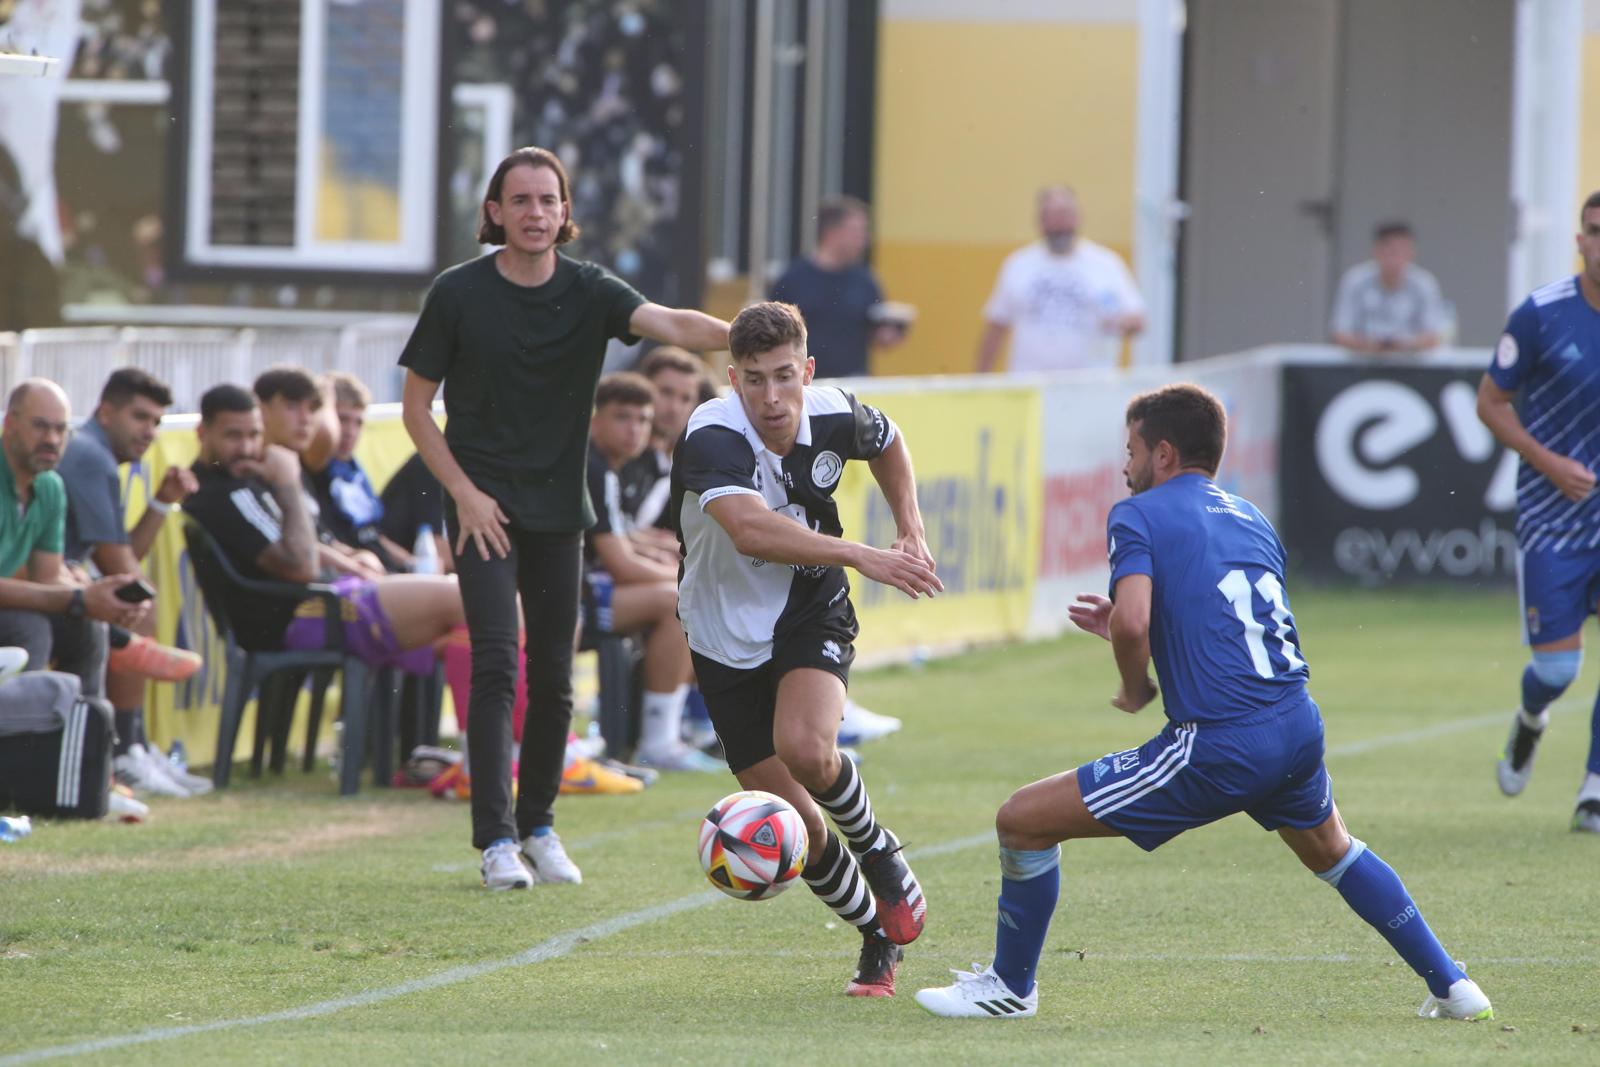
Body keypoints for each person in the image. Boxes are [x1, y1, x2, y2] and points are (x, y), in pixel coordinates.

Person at [916, 384, 1492, 1021]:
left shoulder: (1138, 514)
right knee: (1334, 849)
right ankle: (1454, 986)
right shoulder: (1251, 517)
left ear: (1163, 453)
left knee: (1021, 820)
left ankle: (1009, 988)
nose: (1123, 464)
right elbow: (1231, 623)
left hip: (1221, 741)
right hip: (1296, 722)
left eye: (1130, 449)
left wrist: (1135, 683)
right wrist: (1153, 624)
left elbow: (1134, 625)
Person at [399, 145, 731, 892]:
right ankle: (495, 842)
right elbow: (418, 409)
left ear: (565, 211)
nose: (535, 213)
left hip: (559, 512)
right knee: (496, 663)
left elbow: (670, 320)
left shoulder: (590, 290)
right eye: (520, 200)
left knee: (553, 677)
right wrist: (464, 493)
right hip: (484, 512)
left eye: (548, 200)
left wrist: (754, 334)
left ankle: (540, 826)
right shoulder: (457, 293)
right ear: (494, 211)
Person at [671, 301, 943, 997]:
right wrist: (863, 553)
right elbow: (750, 531)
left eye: (784, 377)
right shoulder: (712, 434)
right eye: (754, 380)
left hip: (808, 605)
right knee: (802, 827)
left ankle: (882, 855)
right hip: (721, 633)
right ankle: (876, 934)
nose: (771, 397)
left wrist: (908, 526)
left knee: (808, 747)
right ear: (732, 379)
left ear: (808, 370)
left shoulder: (833, 410)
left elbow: (888, 441)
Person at [184, 384, 470, 682]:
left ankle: (497, 727)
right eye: (233, 436)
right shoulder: (220, 493)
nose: (245, 447)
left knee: (476, 629)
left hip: (328, 602)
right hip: (304, 615)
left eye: (253, 435)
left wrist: (353, 561)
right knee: (473, 599)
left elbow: (305, 547)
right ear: (203, 433)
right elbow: (302, 565)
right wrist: (289, 483)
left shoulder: (243, 478)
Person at [1477, 191, 1600, 833]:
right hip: (1556, 518)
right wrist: (1547, 460)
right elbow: (1491, 402)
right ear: (1579, 239)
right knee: (1557, 669)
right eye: (1595, 232)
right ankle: (1530, 721)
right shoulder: (1542, 316)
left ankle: (1594, 789)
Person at [55, 367, 208, 798]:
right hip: (41, 591)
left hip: (60, 586)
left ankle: (133, 746)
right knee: (136, 600)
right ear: (105, 412)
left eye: (157, 422)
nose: (150, 431)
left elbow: (121, 556)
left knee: (135, 596)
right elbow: (122, 567)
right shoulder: (88, 454)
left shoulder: (96, 454)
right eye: (140, 417)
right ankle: (125, 751)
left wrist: (162, 500)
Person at [584, 371, 717, 772]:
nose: (635, 430)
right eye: (622, 418)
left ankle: (697, 723)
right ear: (595, 421)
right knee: (679, 601)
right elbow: (619, 563)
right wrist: (684, 577)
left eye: (642, 420)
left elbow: (627, 540)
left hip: (586, 590)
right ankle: (661, 740)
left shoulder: (605, 467)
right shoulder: (593, 467)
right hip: (568, 600)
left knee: (695, 592)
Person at [0, 380, 148, 701]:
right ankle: (22, 744)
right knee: (30, 627)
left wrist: (102, 600)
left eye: (61, 429)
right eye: (40, 427)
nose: (52, 440)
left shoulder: (51, 485)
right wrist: (79, 598)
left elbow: (48, 576)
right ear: (9, 423)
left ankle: (82, 744)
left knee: (87, 628)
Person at [976, 185, 1144, 374]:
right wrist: (980, 381)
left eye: (1064, 214)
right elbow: (996, 326)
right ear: (1040, 221)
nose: (1058, 223)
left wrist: (1120, 322)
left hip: (1090, 387)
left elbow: (1136, 319)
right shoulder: (1018, 264)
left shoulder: (1106, 264)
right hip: (1030, 385)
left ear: (1078, 217)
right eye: (1051, 216)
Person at [252, 367, 386, 581]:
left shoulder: (296, 466)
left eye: (314, 408)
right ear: (262, 411)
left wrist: (358, 556)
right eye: (293, 406)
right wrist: (355, 567)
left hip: (344, 580)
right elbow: (296, 549)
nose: (306, 419)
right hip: (318, 596)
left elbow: (325, 539)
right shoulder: (255, 473)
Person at [769, 196, 905, 379]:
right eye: (857, 232)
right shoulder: (793, 279)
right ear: (832, 233)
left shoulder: (865, 281)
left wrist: (891, 332)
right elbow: (772, 332)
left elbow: (877, 333)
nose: (864, 240)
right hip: (804, 383)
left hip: (853, 384)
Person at [309, 371, 413, 572]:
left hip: (381, 569)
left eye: (358, 422)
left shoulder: (354, 472)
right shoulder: (315, 471)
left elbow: (372, 535)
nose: (350, 431)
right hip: (353, 576)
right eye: (342, 419)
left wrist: (412, 562)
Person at [1330, 221, 1450, 353]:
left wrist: (1403, 344)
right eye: (1390, 252)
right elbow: (1339, 334)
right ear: (1376, 251)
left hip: (1412, 365)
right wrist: (1370, 345)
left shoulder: (1424, 283)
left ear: (1411, 253)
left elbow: (1435, 337)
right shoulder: (1354, 281)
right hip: (1362, 363)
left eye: (1402, 252)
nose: (1395, 259)